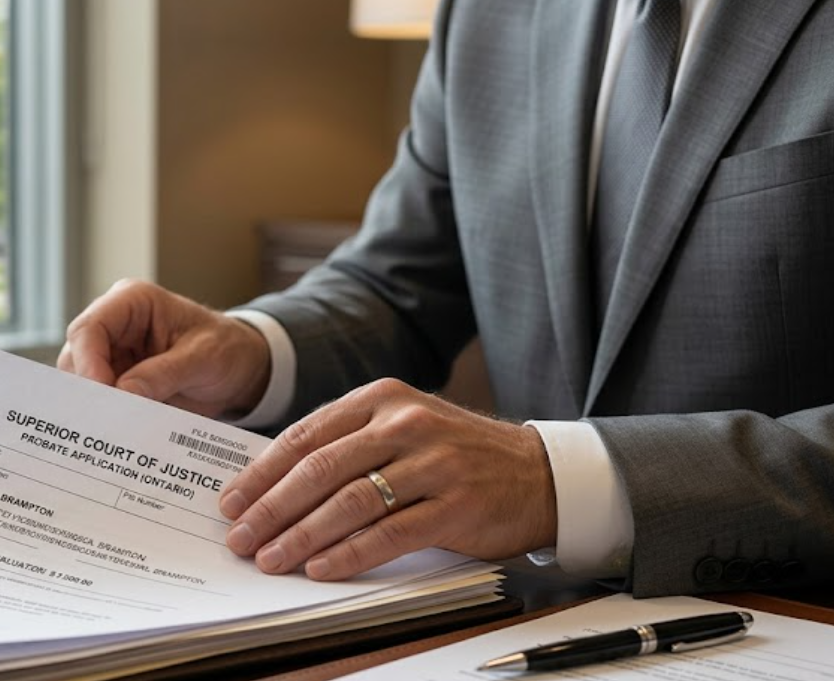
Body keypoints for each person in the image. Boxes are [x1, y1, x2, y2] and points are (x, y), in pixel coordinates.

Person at [58, 0, 834, 598]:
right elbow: (396, 282)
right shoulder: (484, 12)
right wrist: (254, 350)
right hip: (508, 622)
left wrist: (554, 478)